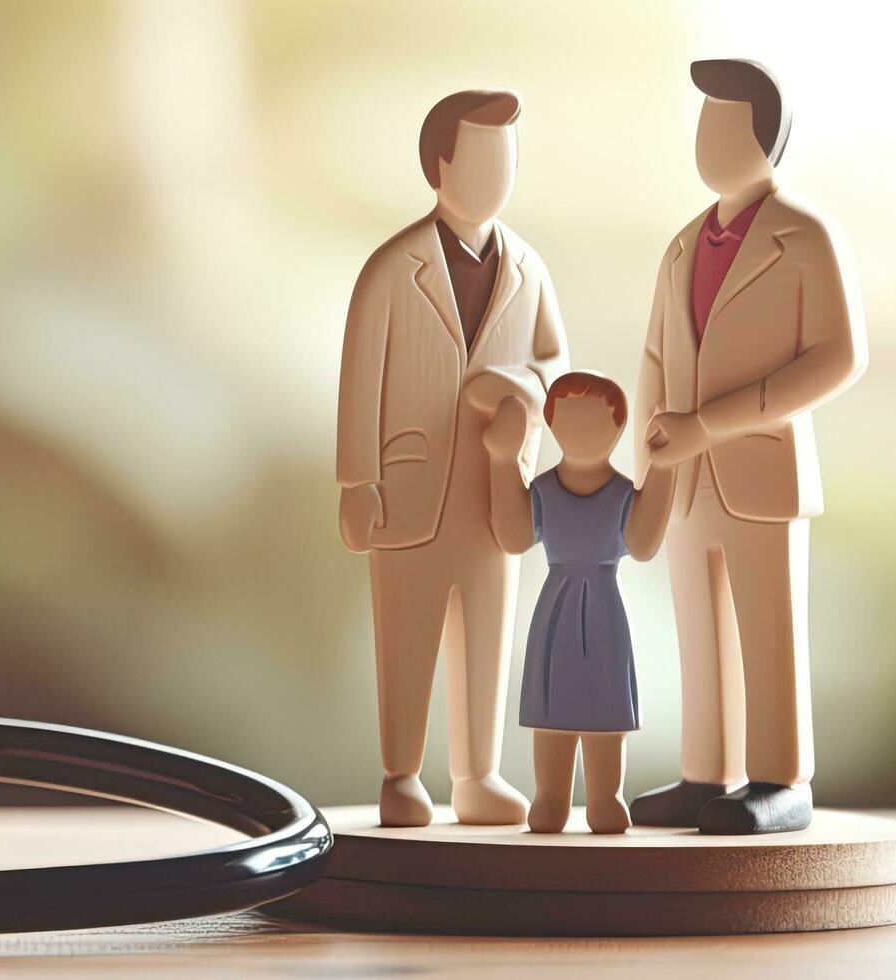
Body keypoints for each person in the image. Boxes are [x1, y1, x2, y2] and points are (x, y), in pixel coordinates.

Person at [628, 59, 867, 835]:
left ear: (766, 141)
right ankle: (707, 772)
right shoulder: (678, 245)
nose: (707, 141)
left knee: (767, 632)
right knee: (697, 633)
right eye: (702, 123)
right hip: (684, 478)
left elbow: (837, 357)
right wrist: (649, 456)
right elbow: (655, 361)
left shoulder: (803, 238)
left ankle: (779, 777)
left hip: (761, 472)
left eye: (724, 125)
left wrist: (718, 419)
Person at [336, 89, 571, 827]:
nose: (495, 174)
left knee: (485, 638)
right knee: (405, 637)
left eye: (507, 158)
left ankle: (476, 775)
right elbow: (358, 377)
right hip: (406, 488)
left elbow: (554, 365)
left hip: (493, 488)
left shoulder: (528, 268)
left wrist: (522, 390)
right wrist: (355, 479)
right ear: (437, 164)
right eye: (479, 156)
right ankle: (400, 774)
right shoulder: (390, 269)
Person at [487, 372, 678, 833]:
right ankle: (549, 795)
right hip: (555, 613)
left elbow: (645, 543)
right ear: (551, 426)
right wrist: (501, 459)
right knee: (551, 711)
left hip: (605, 612)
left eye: (597, 421)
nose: (582, 433)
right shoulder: (545, 491)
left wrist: (667, 466)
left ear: (618, 427)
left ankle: (604, 797)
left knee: (605, 713)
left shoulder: (620, 495)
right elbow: (513, 536)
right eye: (569, 420)